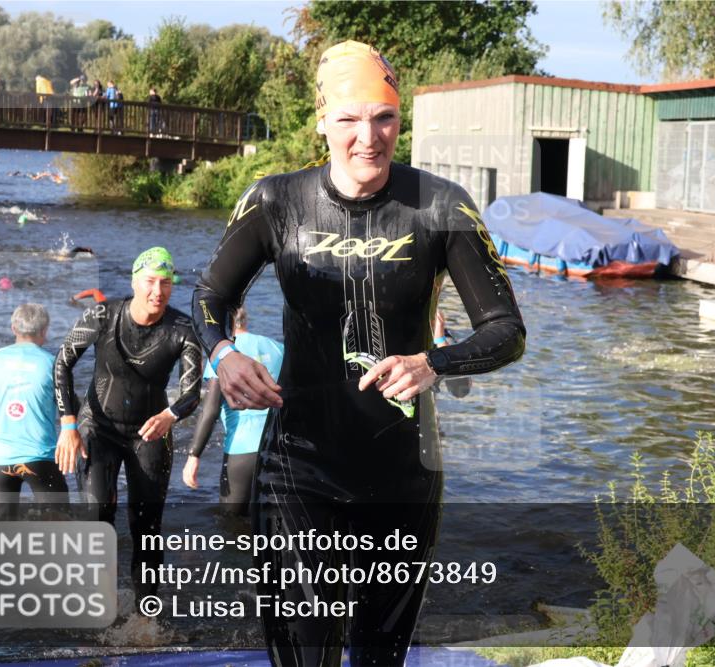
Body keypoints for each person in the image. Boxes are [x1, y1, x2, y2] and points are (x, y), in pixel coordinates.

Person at [191, 40, 525, 666]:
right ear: (322, 120)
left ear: (401, 121)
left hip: (403, 473)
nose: (368, 138)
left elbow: (507, 330)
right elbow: (211, 294)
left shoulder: (441, 205)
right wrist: (224, 354)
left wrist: (434, 363)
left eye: (384, 118)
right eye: (349, 119)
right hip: (298, 466)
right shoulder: (276, 201)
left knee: (380, 659)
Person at [53, 247, 202, 609]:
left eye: (166, 283)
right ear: (135, 282)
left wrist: (171, 415)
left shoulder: (183, 329)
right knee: (96, 516)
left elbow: (191, 393)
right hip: (97, 427)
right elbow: (61, 365)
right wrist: (68, 424)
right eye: (150, 281)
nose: (158, 291)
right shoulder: (102, 315)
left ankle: (145, 613)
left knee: (147, 527)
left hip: (150, 432)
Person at [0, 304, 68, 518]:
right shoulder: (54, 364)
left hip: (1, 459)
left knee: (1, 529)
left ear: (13, 328)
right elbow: (71, 410)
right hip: (41, 458)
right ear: (44, 330)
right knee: (58, 526)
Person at [183, 307, 284, 515]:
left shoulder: (223, 356)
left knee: (231, 521)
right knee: (271, 519)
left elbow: (210, 410)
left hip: (241, 450)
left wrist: (194, 455)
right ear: (244, 320)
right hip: (277, 447)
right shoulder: (277, 347)